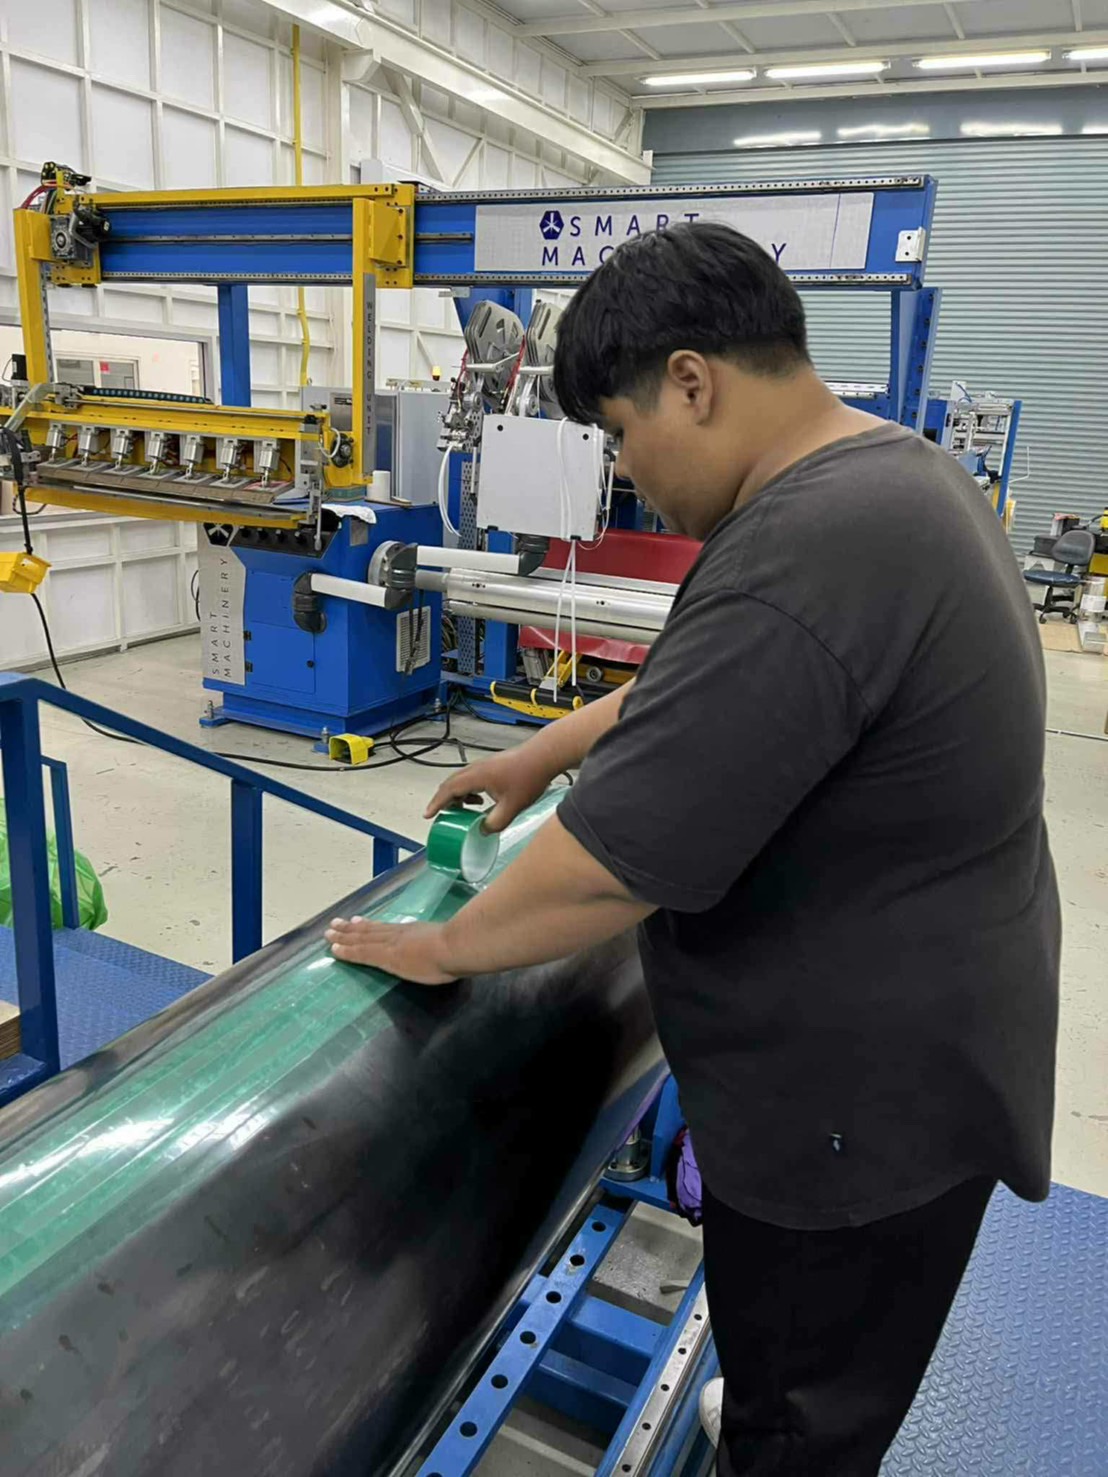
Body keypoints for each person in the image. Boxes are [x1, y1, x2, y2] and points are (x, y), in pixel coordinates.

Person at [325, 223, 1060, 1475]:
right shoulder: (892, 476)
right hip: (928, 1048)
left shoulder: (811, 543)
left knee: (803, 1424)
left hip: (853, 1119)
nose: (626, 468)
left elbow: (614, 862)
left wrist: (446, 945)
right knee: (801, 1370)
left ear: (690, 381)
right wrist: (547, 749)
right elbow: (717, 677)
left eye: (619, 433)